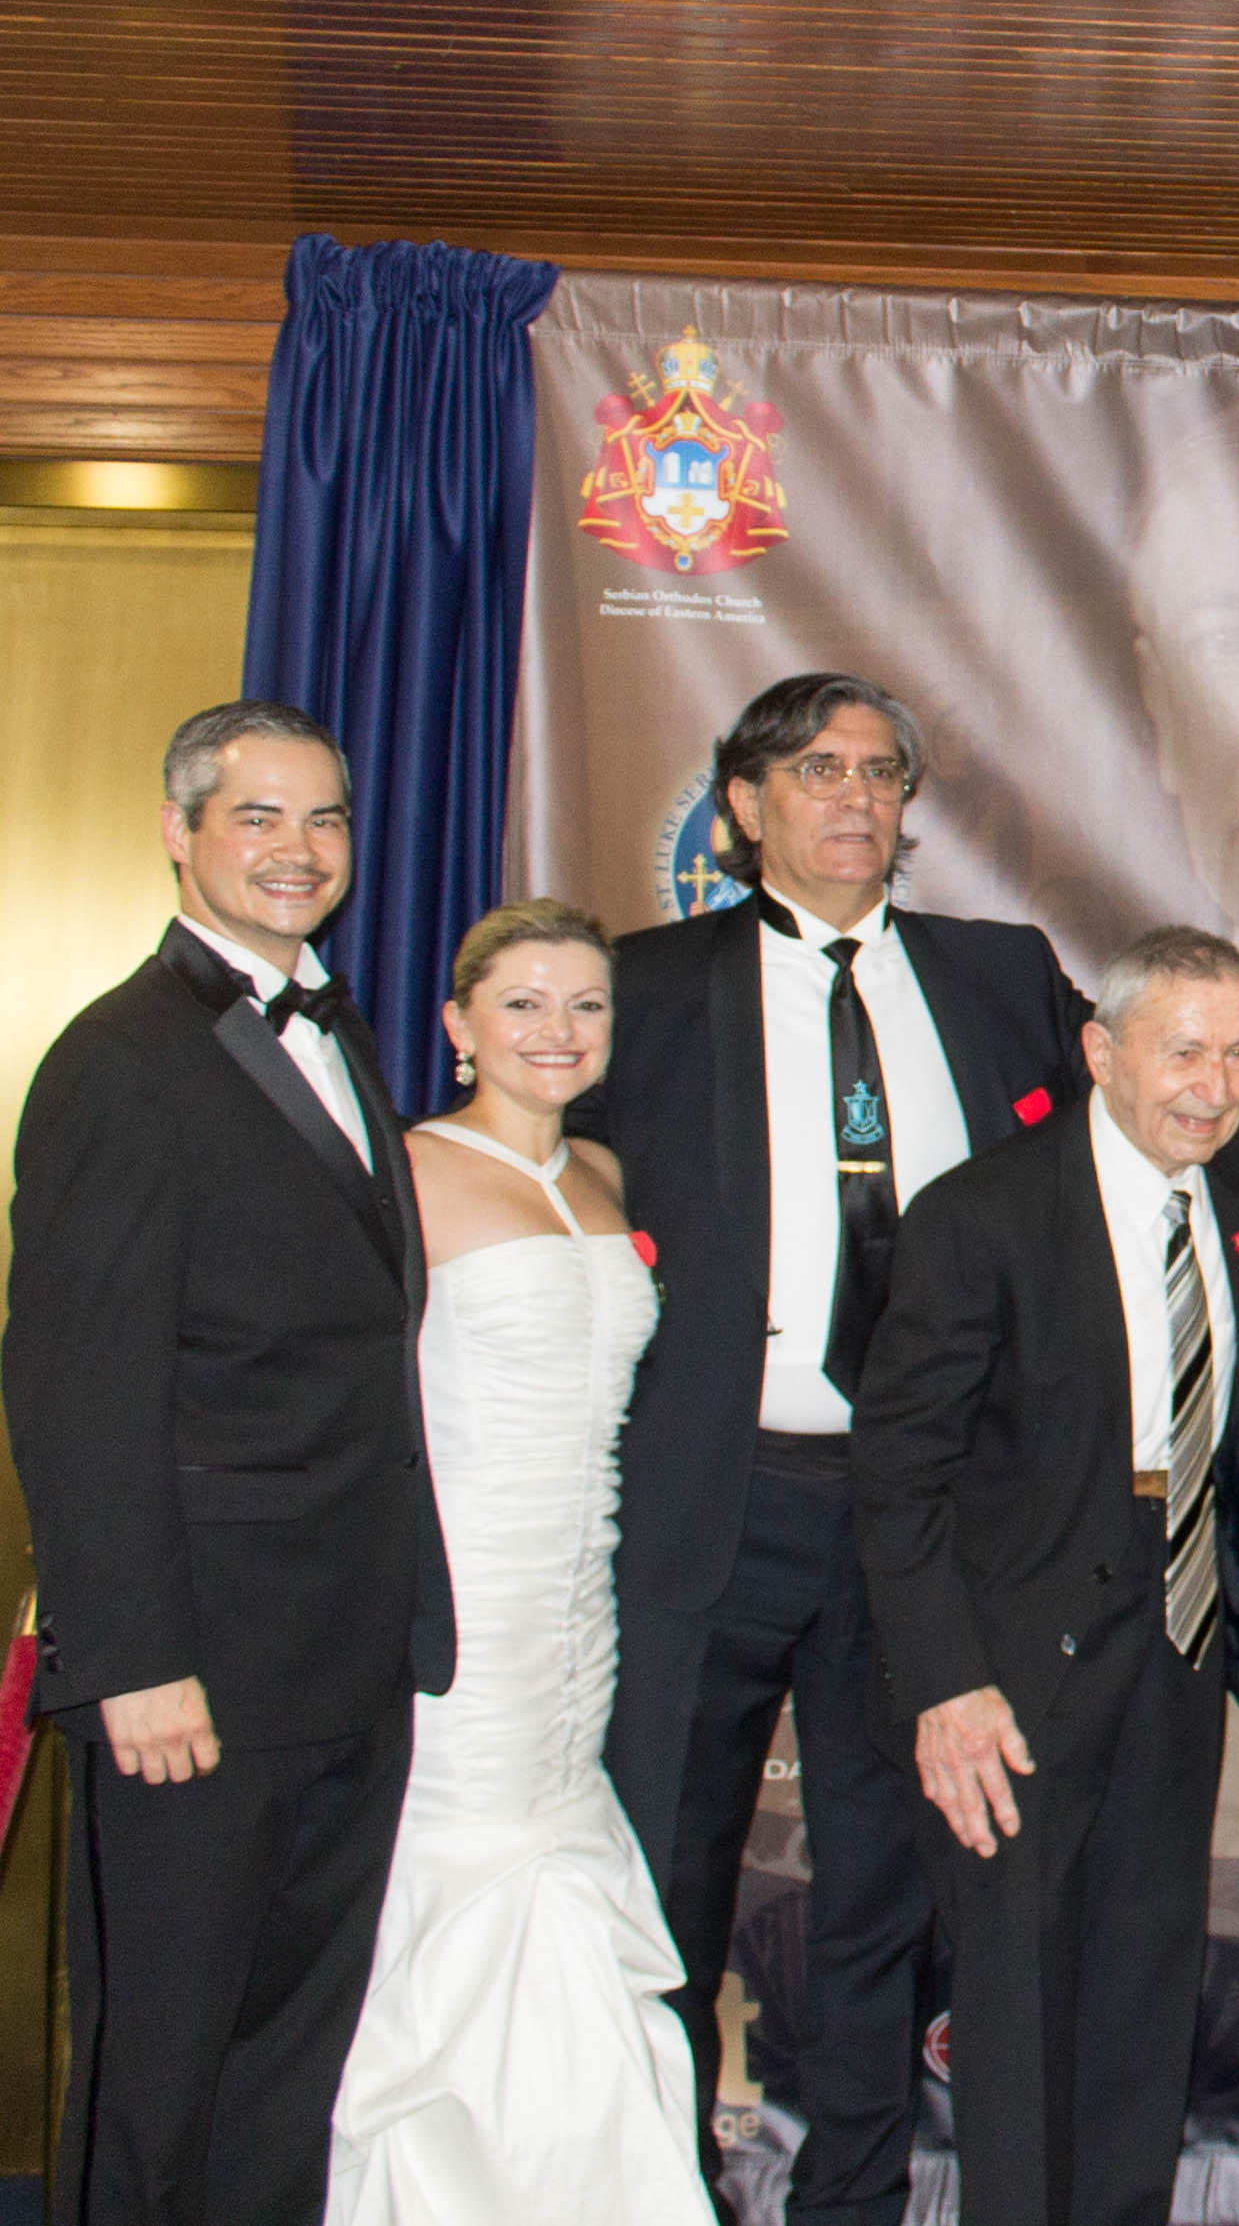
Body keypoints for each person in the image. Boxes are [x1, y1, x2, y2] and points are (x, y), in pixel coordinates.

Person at [583, 671, 1239, 2220]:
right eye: (816, 770)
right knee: (666, 1880)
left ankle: (851, 2202)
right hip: (723, 1499)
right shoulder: (642, 987)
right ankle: (655, 2187)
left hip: (942, 1531)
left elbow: (1199, 1092)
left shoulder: (998, 971)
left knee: (883, 1895)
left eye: (879, 771)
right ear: (743, 805)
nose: (854, 796)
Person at [2, 700, 455, 2223]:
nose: (298, 849)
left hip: (346, 1656)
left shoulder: (341, 1033)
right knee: (163, 2072)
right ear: (178, 831)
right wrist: (132, 1659)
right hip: (193, 1676)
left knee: (286, 2070)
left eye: (325, 818)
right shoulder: (119, 1061)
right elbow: (79, 1387)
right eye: (257, 816)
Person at [852, 928, 1239, 2226]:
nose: (1213, 1084)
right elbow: (897, 1478)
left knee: (1144, 1982)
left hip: (1180, 1632)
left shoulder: (1234, 1188)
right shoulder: (980, 1214)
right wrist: (947, 1685)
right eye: (1183, 1051)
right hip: (1014, 1664)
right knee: (1018, 1997)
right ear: (1100, 1052)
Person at [328, 901, 710, 2224]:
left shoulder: (603, 1173)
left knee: (562, 1867)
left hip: (580, 1599)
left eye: (586, 1004)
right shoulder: (405, 1173)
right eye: (524, 1003)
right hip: (460, 1607)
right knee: (468, 1880)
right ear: (458, 1024)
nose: (559, 1030)